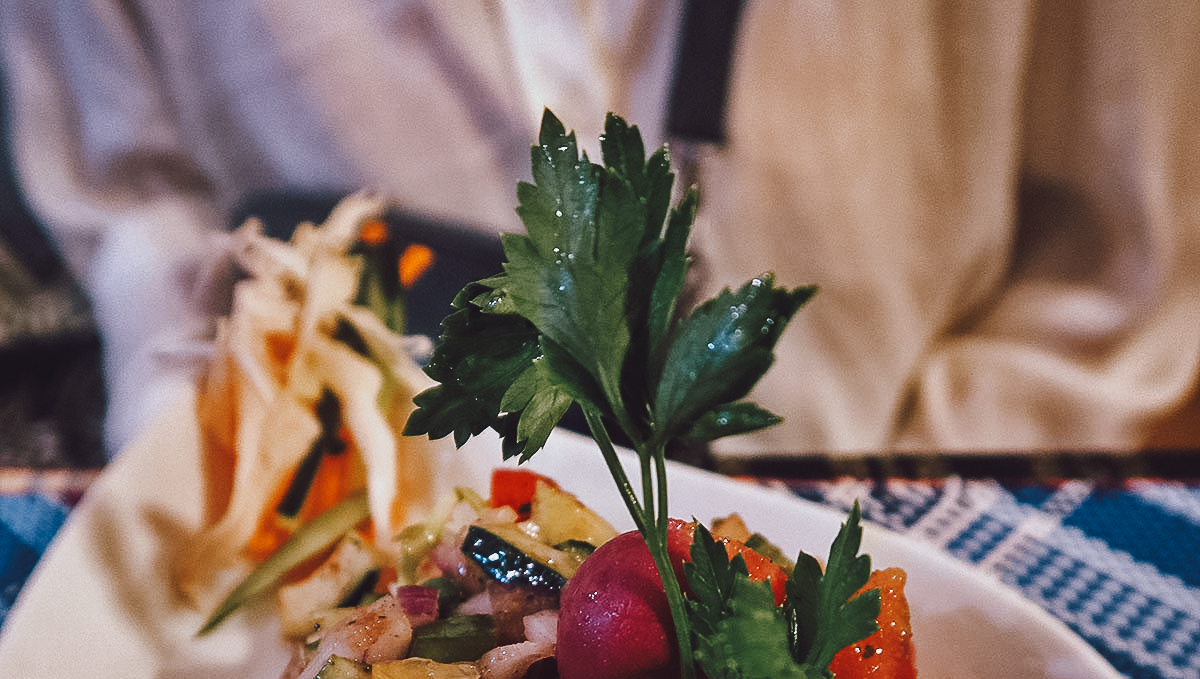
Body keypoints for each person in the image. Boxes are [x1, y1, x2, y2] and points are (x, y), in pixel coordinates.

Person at [2, 0, 1199, 459]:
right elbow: (133, 194)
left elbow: (1119, 270)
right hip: (359, 525)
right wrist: (178, 430)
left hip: (902, 493)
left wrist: (901, 516)